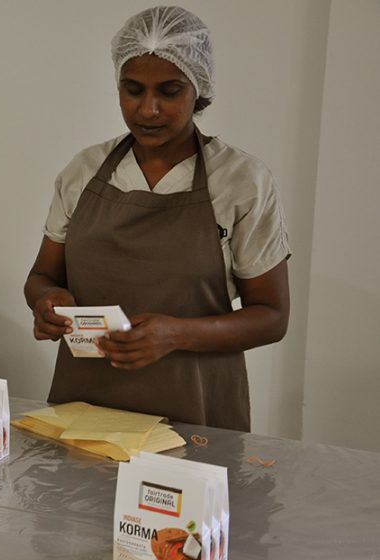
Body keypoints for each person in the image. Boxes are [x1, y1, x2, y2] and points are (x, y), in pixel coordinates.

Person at [23, 6, 290, 432]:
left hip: (197, 412)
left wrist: (176, 334)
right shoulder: (84, 171)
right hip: (85, 408)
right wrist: (47, 301)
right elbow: (41, 277)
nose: (148, 109)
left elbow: (272, 316)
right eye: (133, 90)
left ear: (199, 89)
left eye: (169, 91)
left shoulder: (241, 181)